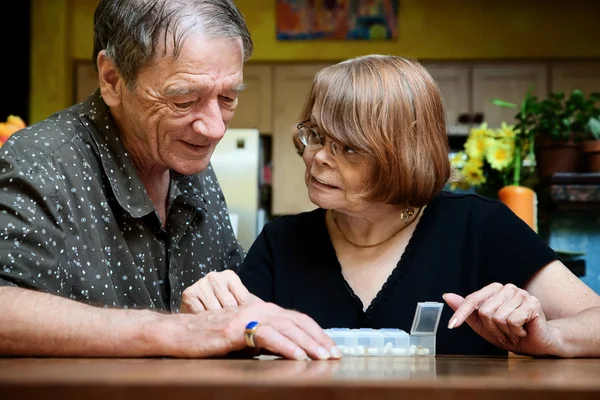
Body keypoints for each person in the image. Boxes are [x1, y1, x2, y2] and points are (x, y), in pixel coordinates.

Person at [189, 55, 600, 357]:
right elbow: (232, 346)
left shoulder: (478, 225)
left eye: (347, 147)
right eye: (315, 134)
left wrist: (552, 337)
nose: (317, 157)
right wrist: (209, 318)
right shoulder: (283, 241)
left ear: (403, 155)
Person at [0, 0, 340, 361]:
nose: (214, 128)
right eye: (184, 100)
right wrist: (177, 329)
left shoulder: (185, 158)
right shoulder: (41, 162)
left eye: (227, 97)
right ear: (112, 79)